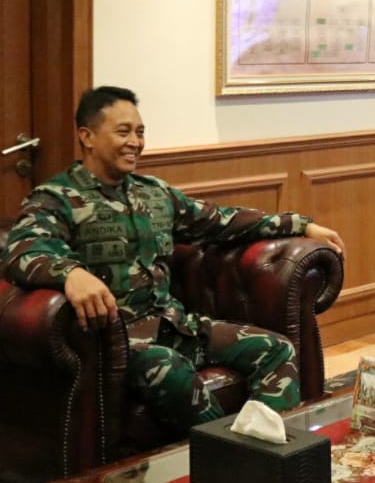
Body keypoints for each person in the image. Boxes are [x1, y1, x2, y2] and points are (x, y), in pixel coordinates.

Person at [2, 86, 347, 437]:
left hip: (176, 327)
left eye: (140, 132)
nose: (135, 142)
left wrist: (300, 224)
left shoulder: (153, 192)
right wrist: (71, 274)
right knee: (169, 368)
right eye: (123, 132)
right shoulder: (56, 199)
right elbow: (21, 250)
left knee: (276, 350)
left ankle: (271, 449)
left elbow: (221, 220)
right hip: (120, 342)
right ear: (87, 136)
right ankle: (230, 457)